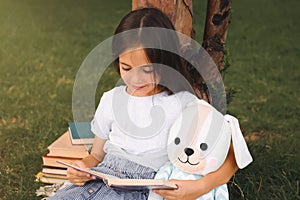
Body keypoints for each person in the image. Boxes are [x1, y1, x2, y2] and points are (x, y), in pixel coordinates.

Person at [48, 8, 238, 200]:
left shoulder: (184, 104)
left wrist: (200, 187)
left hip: (142, 190)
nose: (135, 79)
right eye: (126, 68)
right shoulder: (111, 99)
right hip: (99, 180)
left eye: (147, 70)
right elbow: (96, 156)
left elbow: (233, 154)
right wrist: (81, 169)